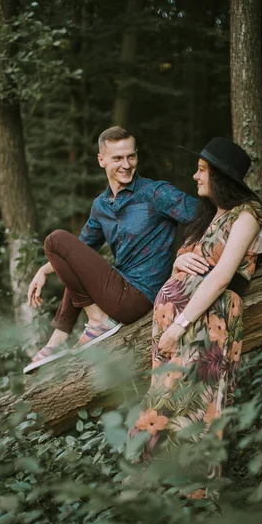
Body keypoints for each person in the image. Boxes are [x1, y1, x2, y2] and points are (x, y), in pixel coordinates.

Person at [128, 137, 262, 484]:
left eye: (202, 170)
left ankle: (194, 506)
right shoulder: (209, 215)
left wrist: (179, 324)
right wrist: (179, 257)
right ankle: (147, 496)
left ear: (221, 176)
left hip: (207, 323)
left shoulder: (249, 214)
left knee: (193, 411)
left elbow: (222, 275)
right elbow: (188, 261)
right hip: (176, 323)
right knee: (160, 404)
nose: (194, 176)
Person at [25, 126, 198, 371]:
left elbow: (204, 215)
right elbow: (80, 248)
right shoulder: (101, 205)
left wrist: (184, 253)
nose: (126, 165)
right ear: (101, 160)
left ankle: (95, 322)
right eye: (117, 158)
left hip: (141, 296)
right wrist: (43, 271)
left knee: (55, 239)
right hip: (118, 290)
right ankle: (58, 340)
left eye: (131, 156)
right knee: (66, 252)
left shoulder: (155, 193)